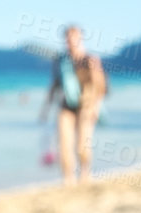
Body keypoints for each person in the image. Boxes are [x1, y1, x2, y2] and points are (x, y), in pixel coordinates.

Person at [39, 24, 107, 182]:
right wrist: (46, 108)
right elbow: (55, 84)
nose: (70, 41)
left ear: (80, 38)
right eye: (68, 38)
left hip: (86, 105)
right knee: (63, 144)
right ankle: (68, 177)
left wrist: (95, 107)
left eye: (73, 38)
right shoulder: (61, 61)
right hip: (66, 105)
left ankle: (85, 173)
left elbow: (100, 86)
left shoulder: (90, 60)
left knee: (83, 144)